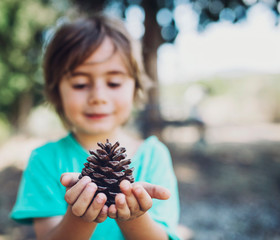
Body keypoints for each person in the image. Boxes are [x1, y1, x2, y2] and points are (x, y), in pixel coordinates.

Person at [10, 14, 180, 240]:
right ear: (56, 91)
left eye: (114, 83)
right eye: (80, 84)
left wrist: (134, 216)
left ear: (135, 86)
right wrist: (80, 216)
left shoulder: (154, 156)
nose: (98, 97)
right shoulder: (43, 160)